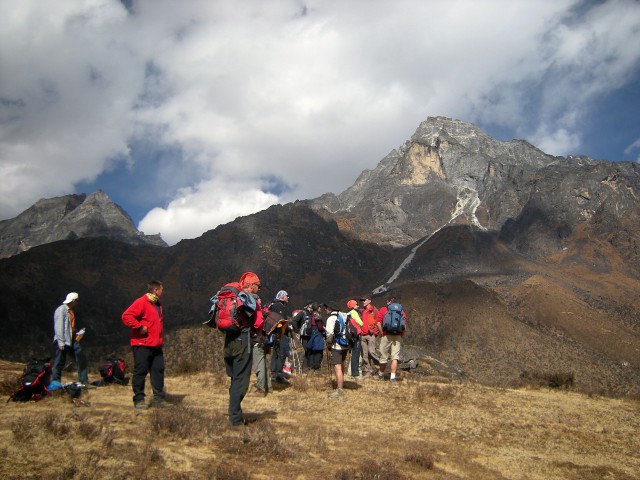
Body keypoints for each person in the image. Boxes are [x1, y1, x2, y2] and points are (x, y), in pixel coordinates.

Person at [121, 280, 172, 409]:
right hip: (142, 344)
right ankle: (139, 399)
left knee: (158, 371)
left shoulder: (157, 304)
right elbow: (126, 316)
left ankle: (158, 399)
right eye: (161, 289)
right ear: (155, 290)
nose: (163, 292)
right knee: (141, 371)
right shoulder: (142, 302)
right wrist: (139, 327)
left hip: (155, 344)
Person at [223, 272, 264, 426]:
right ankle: (235, 418)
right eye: (258, 286)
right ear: (251, 285)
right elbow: (258, 323)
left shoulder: (232, 297)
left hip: (229, 340)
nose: (259, 289)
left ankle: (236, 413)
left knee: (234, 378)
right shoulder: (251, 299)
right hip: (243, 341)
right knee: (242, 380)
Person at [51, 292, 89, 385]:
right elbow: (59, 326)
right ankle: (55, 383)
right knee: (59, 362)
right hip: (63, 340)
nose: (77, 303)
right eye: (76, 301)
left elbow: (68, 327)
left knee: (81, 358)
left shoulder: (70, 311)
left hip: (71, 338)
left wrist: (76, 332)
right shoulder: (61, 310)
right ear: (73, 301)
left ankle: (84, 382)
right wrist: (61, 342)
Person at [376, 296, 407, 385]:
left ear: (389, 302)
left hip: (386, 335)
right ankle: (392, 378)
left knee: (383, 356)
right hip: (397, 336)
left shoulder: (383, 310)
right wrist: (401, 336)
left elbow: (378, 322)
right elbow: (404, 327)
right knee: (395, 357)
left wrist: (382, 333)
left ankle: (381, 375)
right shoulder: (401, 312)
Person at [325, 307, 349, 398]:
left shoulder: (331, 318)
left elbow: (330, 334)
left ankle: (340, 390)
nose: (325, 310)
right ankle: (341, 384)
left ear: (330, 309)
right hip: (345, 343)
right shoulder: (344, 315)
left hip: (337, 345)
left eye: (327, 308)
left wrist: (328, 344)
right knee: (342, 364)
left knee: (337, 366)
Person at [269, 290, 293, 385]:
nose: (288, 297)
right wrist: (288, 327)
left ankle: (275, 373)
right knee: (281, 353)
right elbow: (280, 320)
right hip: (281, 334)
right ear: (282, 297)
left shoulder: (275, 305)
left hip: (277, 334)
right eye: (286, 296)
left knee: (277, 353)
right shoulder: (279, 306)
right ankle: (278, 374)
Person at [359, 295, 380, 376]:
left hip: (371, 334)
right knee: (365, 354)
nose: (363, 301)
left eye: (365, 300)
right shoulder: (362, 310)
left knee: (372, 352)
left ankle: (379, 367)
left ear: (369, 301)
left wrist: (375, 332)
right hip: (362, 334)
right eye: (362, 300)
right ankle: (368, 370)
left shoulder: (374, 310)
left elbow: (378, 321)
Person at [346, 300, 364, 380]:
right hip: (356, 335)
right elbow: (361, 323)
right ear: (353, 306)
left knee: (353, 353)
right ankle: (355, 373)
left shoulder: (348, 313)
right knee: (356, 354)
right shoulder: (354, 313)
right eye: (356, 304)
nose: (358, 305)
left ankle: (351, 372)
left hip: (350, 336)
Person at [305, 303, 325, 372]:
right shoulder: (317, 316)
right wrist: (324, 329)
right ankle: (316, 367)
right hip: (317, 335)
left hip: (312, 335)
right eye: (319, 307)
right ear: (317, 308)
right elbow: (320, 327)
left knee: (312, 352)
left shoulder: (311, 315)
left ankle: (311, 367)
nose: (320, 308)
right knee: (318, 352)